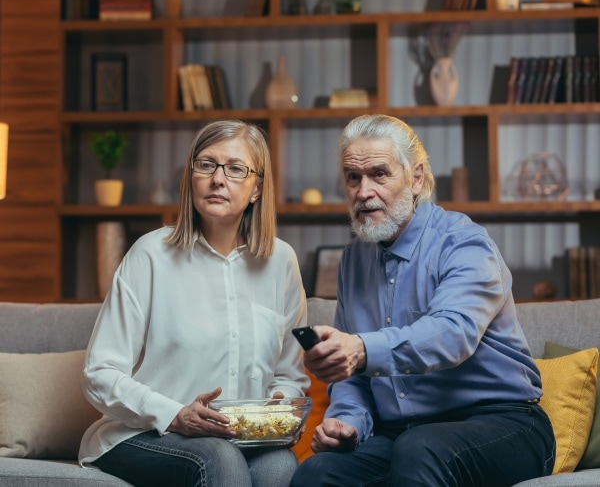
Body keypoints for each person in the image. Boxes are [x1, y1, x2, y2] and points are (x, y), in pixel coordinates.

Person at [291, 114, 555, 487]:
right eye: (353, 177)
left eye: (379, 174)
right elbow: (353, 375)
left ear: (415, 179)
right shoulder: (353, 259)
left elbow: (452, 333)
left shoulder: (464, 242)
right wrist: (347, 420)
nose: (363, 192)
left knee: (420, 448)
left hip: (505, 423)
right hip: (403, 434)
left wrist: (362, 349)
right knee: (317, 473)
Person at [79, 120, 309, 487]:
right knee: (220, 459)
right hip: (146, 435)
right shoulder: (150, 254)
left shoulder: (281, 261)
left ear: (257, 188)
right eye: (206, 164)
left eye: (235, 169)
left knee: (280, 466)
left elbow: (289, 375)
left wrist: (278, 419)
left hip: (242, 439)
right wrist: (175, 414)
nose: (218, 179)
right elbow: (99, 374)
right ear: (192, 177)